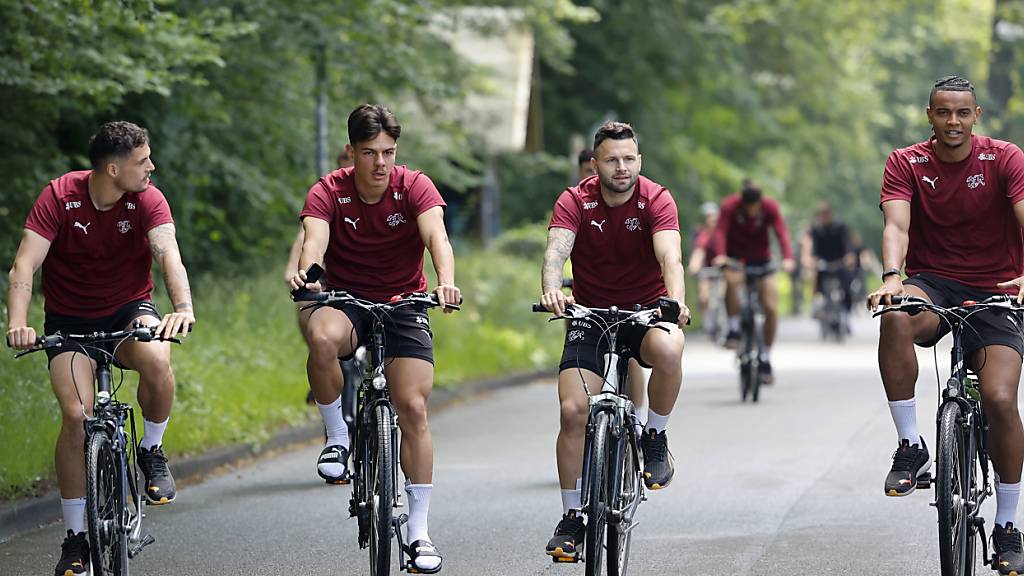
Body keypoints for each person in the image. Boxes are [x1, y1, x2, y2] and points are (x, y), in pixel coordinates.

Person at [5, 121, 195, 576]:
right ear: (113, 168)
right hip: (69, 322)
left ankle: (151, 449)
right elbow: (24, 265)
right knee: (76, 415)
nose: (152, 166)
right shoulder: (59, 197)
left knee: (156, 356)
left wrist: (182, 307)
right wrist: (17, 323)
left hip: (129, 310)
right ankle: (76, 539)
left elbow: (168, 254)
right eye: (142, 160)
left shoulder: (147, 197)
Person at [289, 104, 459, 573]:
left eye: (388, 152)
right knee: (321, 338)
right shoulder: (330, 191)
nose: (381, 163)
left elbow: (437, 239)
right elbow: (314, 241)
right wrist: (308, 276)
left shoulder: (415, 186)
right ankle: (338, 437)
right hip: (347, 299)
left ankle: (419, 532)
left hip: (406, 301)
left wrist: (444, 280)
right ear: (351, 152)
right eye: (370, 153)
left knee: (414, 408)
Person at [867, 75, 1024, 575]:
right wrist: (893, 278)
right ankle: (911, 446)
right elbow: (896, 225)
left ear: (976, 116)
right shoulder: (906, 161)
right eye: (942, 112)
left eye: (962, 113)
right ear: (929, 115)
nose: (952, 121)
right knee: (894, 317)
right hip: (932, 284)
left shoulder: (1004, 158)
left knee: (999, 399)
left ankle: (1006, 525)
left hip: (999, 289)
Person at [539, 121, 688, 560]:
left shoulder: (656, 199)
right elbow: (555, 253)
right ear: (594, 164)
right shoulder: (575, 200)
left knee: (670, 348)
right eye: (611, 160)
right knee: (572, 412)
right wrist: (552, 288)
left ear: (639, 161)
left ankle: (655, 437)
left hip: (644, 313)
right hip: (590, 315)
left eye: (628, 159)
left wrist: (674, 303)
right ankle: (571, 518)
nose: (621, 167)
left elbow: (670, 256)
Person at [285, 149, 355, 406]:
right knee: (308, 310)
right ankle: (319, 360)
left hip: (365, 284)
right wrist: (298, 274)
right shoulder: (326, 203)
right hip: (327, 284)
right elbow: (303, 247)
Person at [714, 181, 795, 382]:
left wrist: (787, 258)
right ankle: (733, 327)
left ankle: (765, 356)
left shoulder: (770, 207)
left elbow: (781, 233)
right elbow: (720, 231)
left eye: (755, 208)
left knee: (770, 306)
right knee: (731, 281)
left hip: (762, 260)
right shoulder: (729, 206)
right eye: (748, 208)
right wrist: (720, 255)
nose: (752, 212)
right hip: (736, 259)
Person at [808, 201, 853, 317]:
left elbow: (847, 244)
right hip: (823, 262)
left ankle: (847, 311)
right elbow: (814, 247)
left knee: (847, 283)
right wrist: (813, 260)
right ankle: (816, 304)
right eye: (822, 214)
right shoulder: (816, 229)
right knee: (816, 279)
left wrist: (848, 256)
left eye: (826, 214)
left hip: (839, 260)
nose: (824, 217)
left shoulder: (840, 226)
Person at [688, 201, 725, 334]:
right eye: (709, 217)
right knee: (704, 296)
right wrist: (694, 265)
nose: (712, 220)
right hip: (707, 269)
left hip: (722, 269)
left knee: (724, 293)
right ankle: (706, 320)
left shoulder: (723, 233)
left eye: (714, 217)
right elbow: (699, 250)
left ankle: (727, 320)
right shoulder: (703, 234)